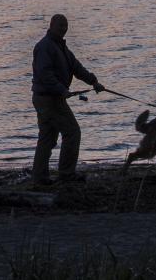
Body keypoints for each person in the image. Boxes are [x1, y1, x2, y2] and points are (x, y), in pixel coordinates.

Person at [31, 14, 104, 185]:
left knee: (47, 138)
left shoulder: (61, 47)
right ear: (51, 25)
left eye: (65, 25)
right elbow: (45, 74)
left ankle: (39, 177)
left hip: (51, 98)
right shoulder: (45, 47)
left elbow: (76, 67)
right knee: (72, 132)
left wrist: (94, 82)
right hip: (48, 99)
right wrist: (62, 90)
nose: (63, 28)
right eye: (60, 25)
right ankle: (66, 174)